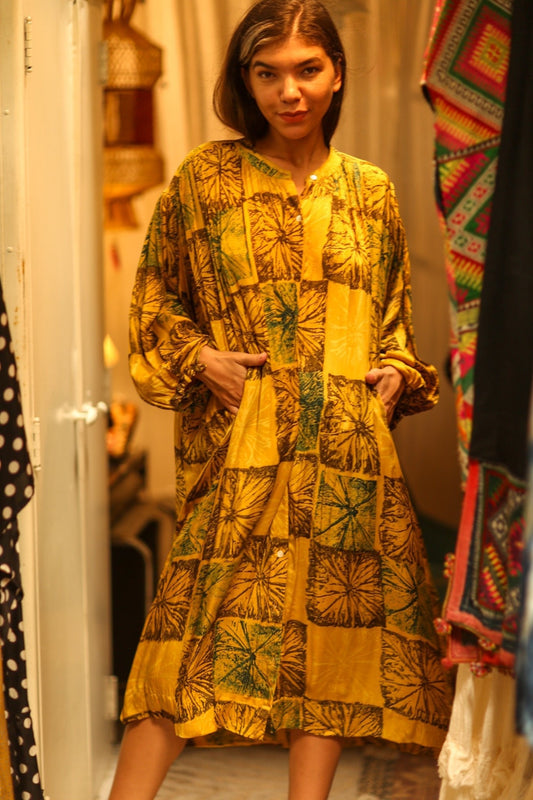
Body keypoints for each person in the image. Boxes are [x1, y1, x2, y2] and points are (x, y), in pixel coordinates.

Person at [108, 1, 452, 798]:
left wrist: (396, 373)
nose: (287, 92)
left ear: (336, 75)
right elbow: (154, 301)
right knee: (178, 648)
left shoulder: (370, 192)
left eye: (306, 70)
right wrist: (201, 359)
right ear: (245, 79)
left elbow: (394, 327)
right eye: (267, 74)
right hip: (241, 451)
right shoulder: (206, 179)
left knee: (327, 661)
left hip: (345, 461)